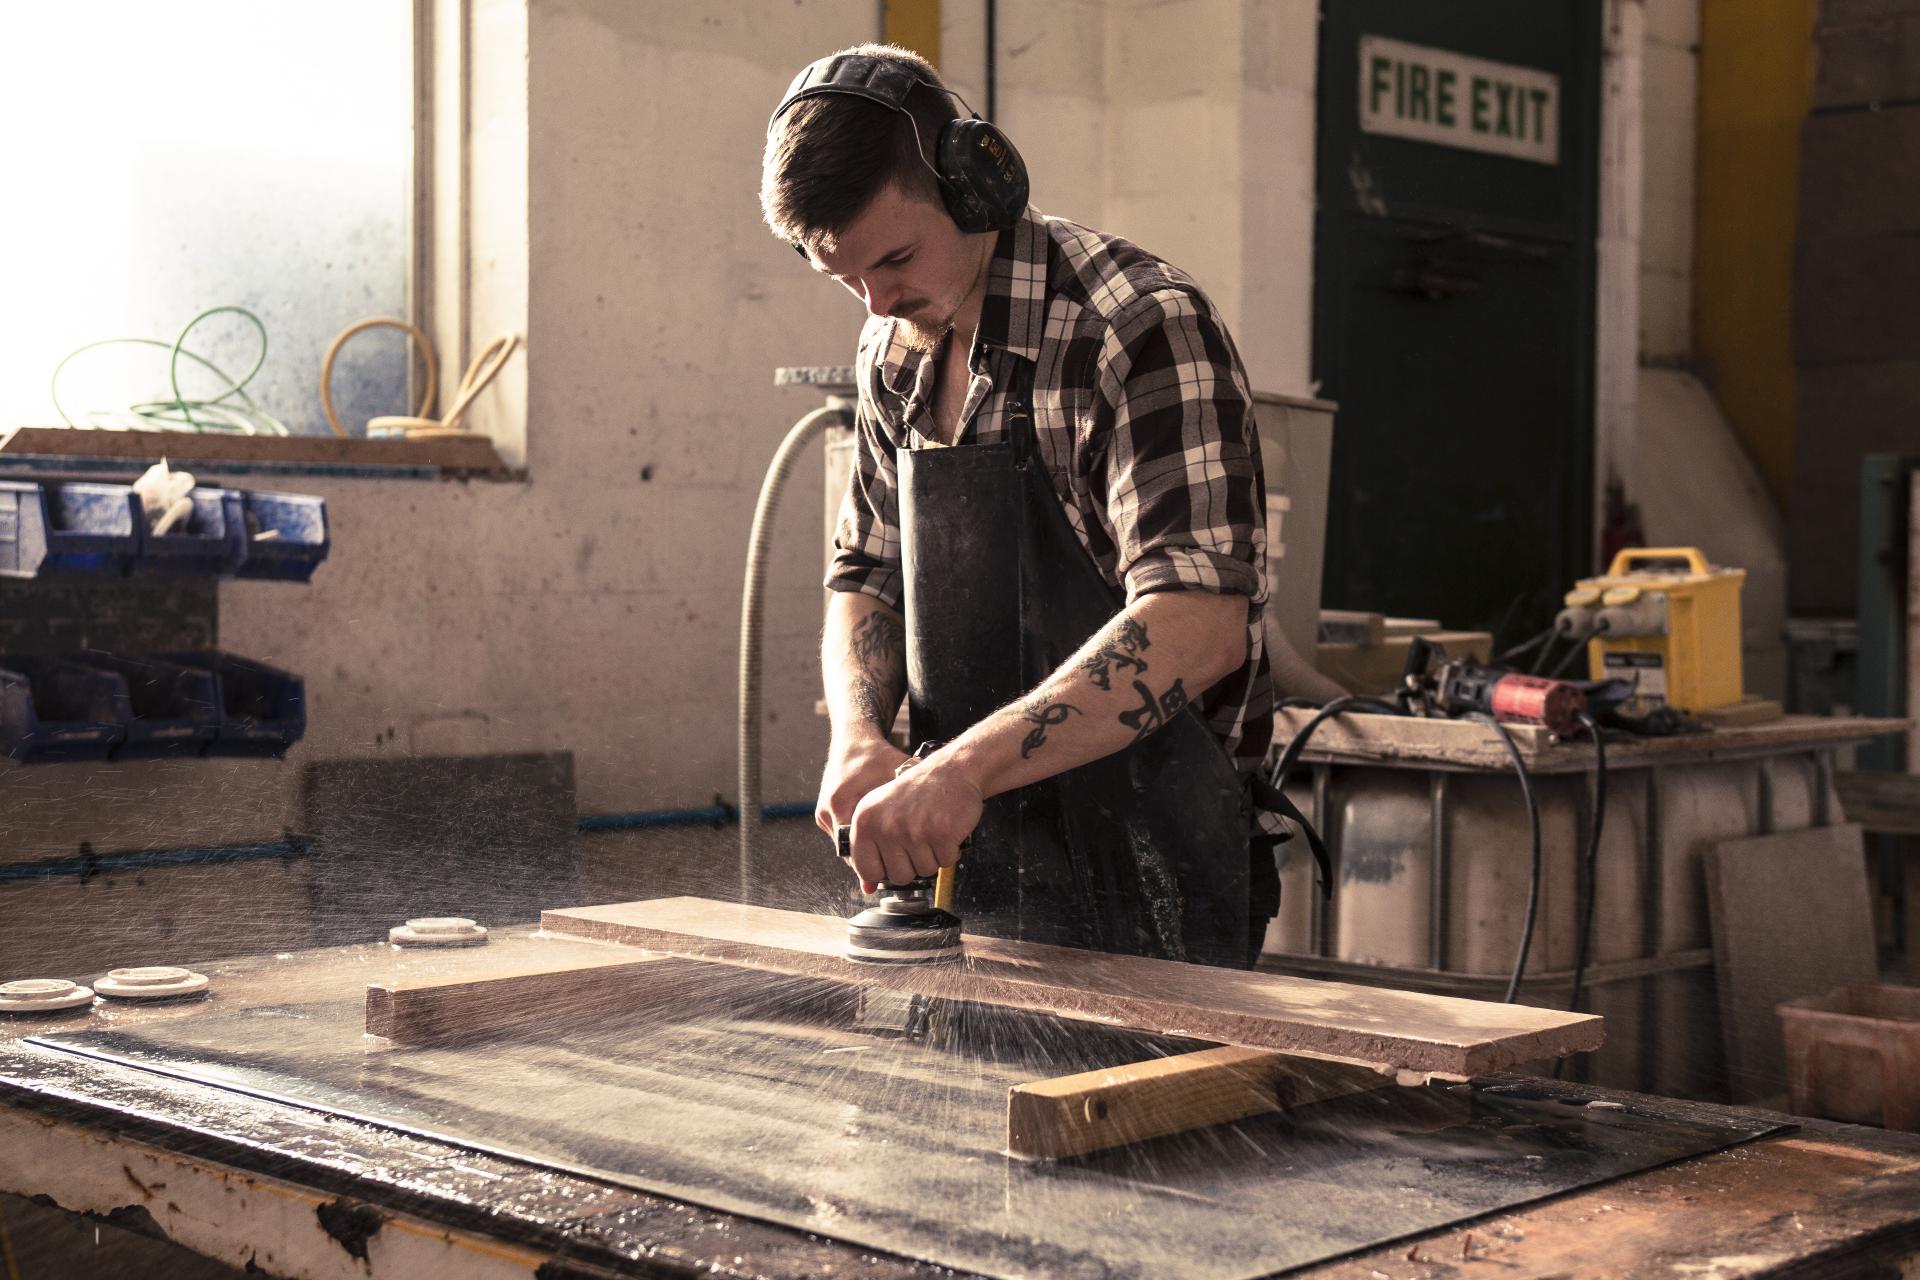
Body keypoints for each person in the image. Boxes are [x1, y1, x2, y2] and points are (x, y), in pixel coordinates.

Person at [761, 44, 1289, 968]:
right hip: (972, 852)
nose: (878, 299)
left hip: (1156, 860)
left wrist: (960, 770)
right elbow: (867, 574)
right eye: (846, 278)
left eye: (894, 257)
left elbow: (1198, 625)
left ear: (975, 186)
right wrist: (858, 737)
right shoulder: (892, 350)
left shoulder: (1137, 327)